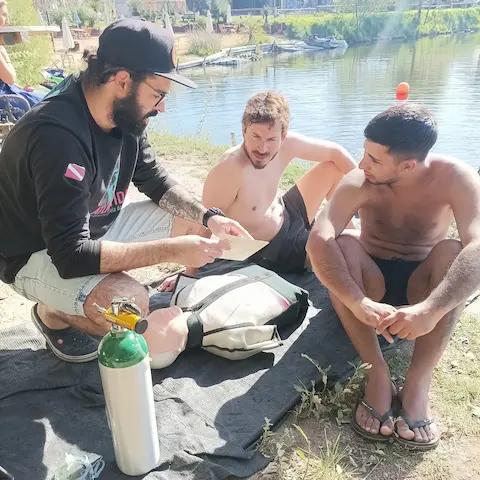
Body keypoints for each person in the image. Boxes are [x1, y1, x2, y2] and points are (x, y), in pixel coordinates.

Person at [0, 19, 249, 364]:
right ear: (122, 81)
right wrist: (172, 251)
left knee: (198, 226)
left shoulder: (127, 113)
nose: (162, 107)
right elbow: (70, 255)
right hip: (32, 253)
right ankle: (52, 314)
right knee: (128, 302)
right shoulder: (57, 136)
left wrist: (209, 217)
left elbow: (154, 179)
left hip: (89, 230)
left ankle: (82, 297)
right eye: (159, 94)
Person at [306, 103, 480, 450]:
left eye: (373, 158)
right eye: (364, 152)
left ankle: (417, 383)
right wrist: (357, 302)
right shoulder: (360, 180)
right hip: (370, 282)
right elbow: (318, 238)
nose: (361, 164)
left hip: (423, 286)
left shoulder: (457, 178)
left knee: (452, 250)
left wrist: (430, 309)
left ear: (408, 165)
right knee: (341, 243)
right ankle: (378, 373)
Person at [159, 91, 357, 291]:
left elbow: (336, 152)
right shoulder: (230, 169)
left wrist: (369, 194)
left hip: (287, 211)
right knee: (328, 251)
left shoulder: (288, 145)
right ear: (244, 130)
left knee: (333, 168)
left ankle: (358, 241)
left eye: (271, 139)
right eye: (256, 136)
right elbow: (206, 223)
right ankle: (342, 249)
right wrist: (189, 273)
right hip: (277, 250)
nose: (262, 148)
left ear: (283, 135)